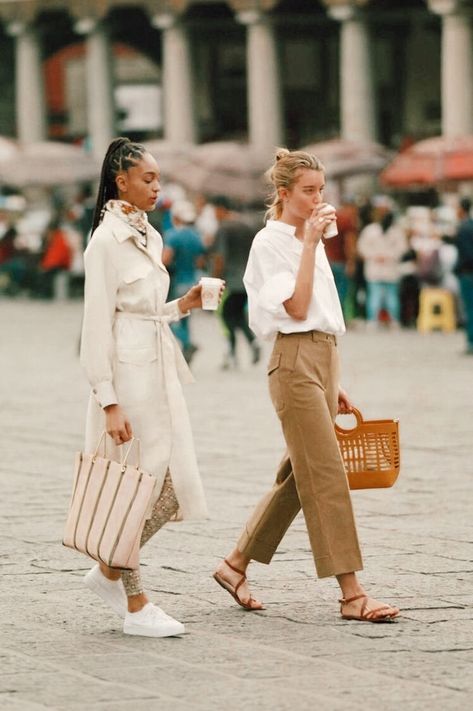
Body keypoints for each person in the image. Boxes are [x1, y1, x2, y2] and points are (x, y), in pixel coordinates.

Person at [213, 148, 399, 623]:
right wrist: (312, 243)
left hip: (322, 358)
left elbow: (321, 315)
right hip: (293, 360)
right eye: (309, 191)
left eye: (322, 189)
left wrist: (333, 380)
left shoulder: (304, 236)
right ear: (283, 195)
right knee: (326, 473)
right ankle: (352, 592)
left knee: (301, 476)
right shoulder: (270, 242)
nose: (319, 198)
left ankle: (235, 564)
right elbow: (295, 309)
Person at [79, 137, 220, 638]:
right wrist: (108, 399)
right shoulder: (104, 242)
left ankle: (109, 571)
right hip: (127, 375)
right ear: (122, 182)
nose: (157, 187)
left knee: (170, 484)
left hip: (158, 365)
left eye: (158, 178)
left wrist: (186, 302)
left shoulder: (150, 235)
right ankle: (136, 605)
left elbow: (147, 309)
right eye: (148, 179)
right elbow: (96, 324)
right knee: (139, 485)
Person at [210, 195, 261, 369]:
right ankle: (253, 343)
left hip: (230, 281)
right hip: (247, 280)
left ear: (221, 209)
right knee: (237, 314)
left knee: (226, 316)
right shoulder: (247, 225)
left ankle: (232, 353)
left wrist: (215, 279)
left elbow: (219, 256)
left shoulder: (224, 228)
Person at [162, 199, 206, 364]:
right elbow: (200, 261)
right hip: (193, 281)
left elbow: (165, 260)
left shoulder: (173, 235)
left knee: (170, 320)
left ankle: (187, 343)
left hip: (177, 282)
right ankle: (186, 349)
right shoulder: (197, 236)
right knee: (185, 319)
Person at [357, 205, 407, 329]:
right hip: (388, 268)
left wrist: (374, 256)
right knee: (390, 296)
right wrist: (388, 256)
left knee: (376, 295)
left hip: (376, 267)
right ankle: (394, 320)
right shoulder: (396, 231)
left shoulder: (370, 230)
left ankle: (372, 321)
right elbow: (402, 249)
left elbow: (362, 247)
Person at [455, 197, 473, 354]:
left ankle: (471, 341)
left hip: (468, 273)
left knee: (470, 308)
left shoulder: (464, 228)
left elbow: (468, 255)